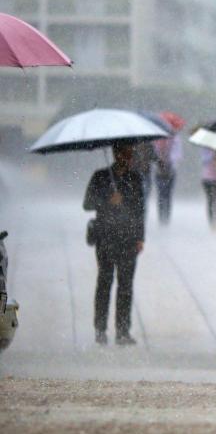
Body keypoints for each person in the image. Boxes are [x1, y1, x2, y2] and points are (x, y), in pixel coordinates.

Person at [83, 142, 145, 346]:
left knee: (126, 286)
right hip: (106, 238)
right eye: (126, 153)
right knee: (105, 282)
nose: (129, 158)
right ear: (116, 153)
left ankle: (123, 331)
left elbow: (140, 210)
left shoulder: (135, 178)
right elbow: (87, 203)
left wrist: (140, 237)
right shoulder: (101, 177)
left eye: (131, 154)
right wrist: (108, 200)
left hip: (128, 239)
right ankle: (100, 329)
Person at [153, 135, 182, 225]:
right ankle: (161, 218)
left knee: (168, 195)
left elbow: (178, 155)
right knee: (161, 195)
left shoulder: (175, 140)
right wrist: (160, 158)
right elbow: (152, 154)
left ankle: (166, 219)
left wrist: (169, 158)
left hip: (170, 171)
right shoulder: (156, 139)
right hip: (159, 171)